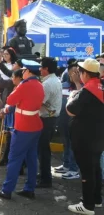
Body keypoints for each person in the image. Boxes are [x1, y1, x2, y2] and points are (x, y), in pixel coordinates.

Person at [0, 59, 44, 200]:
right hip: (35, 125)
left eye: (23, 70)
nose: (22, 72)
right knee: (31, 158)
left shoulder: (24, 85)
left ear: (28, 71)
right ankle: (30, 188)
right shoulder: (39, 85)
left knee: (14, 158)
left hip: (24, 127)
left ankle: (7, 190)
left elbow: (10, 100)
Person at [66, 58, 104, 215]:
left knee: (87, 171)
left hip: (85, 138)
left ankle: (87, 205)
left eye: (80, 72)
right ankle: (96, 199)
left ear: (85, 74)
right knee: (95, 168)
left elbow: (70, 109)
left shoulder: (87, 91)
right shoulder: (100, 86)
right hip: (98, 136)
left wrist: (72, 95)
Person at [36, 57, 62, 189]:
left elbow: (38, 102)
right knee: (43, 149)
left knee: (43, 149)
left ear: (46, 69)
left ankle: (46, 179)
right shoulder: (54, 80)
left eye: (41, 67)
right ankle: (43, 175)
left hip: (47, 119)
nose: (39, 69)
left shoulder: (47, 84)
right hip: (50, 119)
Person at [54, 62, 82, 180]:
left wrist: (77, 83)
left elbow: (81, 99)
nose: (74, 74)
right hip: (62, 119)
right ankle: (66, 164)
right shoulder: (63, 85)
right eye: (72, 72)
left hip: (75, 122)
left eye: (77, 72)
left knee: (73, 144)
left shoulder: (82, 86)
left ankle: (73, 169)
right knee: (66, 142)